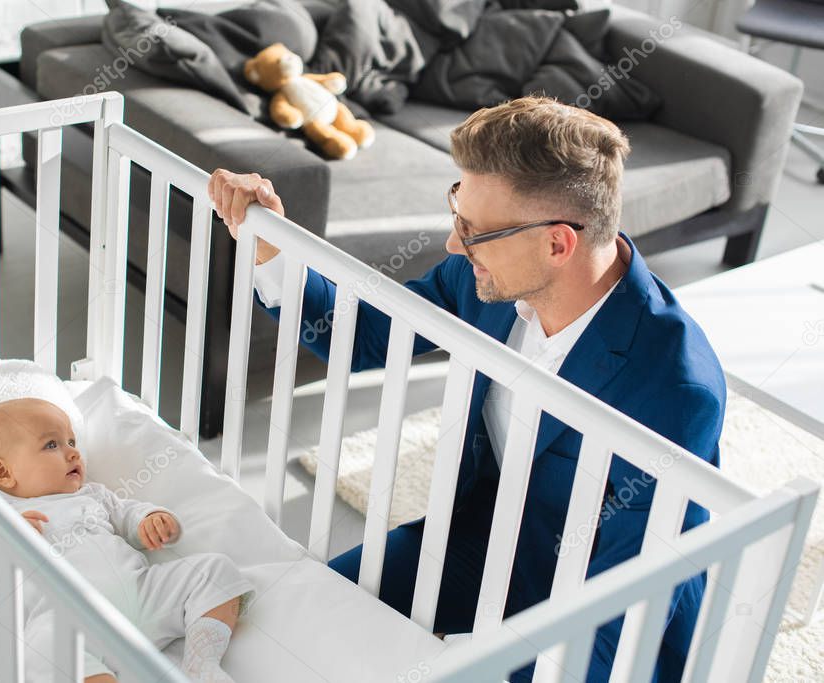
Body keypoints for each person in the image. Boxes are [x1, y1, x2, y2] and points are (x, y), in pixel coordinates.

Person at [206, 96, 726, 682]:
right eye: (458, 213)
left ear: (558, 243)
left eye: (474, 231)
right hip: (481, 540)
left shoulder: (677, 387)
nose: (455, 245)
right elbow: (361, 335)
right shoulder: (486, 274)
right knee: (300, 612)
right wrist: (273, 242)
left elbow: (627, 609)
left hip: (590, 605)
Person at [0, 397, 254, 683]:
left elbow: (127, 513)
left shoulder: (93, 494)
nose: (72, 453)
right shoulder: (2, 520)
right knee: (44, 649)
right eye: (51, 445)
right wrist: (5, 545)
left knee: (215, 571)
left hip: (141, 593)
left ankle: (201, 665)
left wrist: (149, 520)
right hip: (72, 619)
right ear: (3, 472)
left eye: (71, 442)